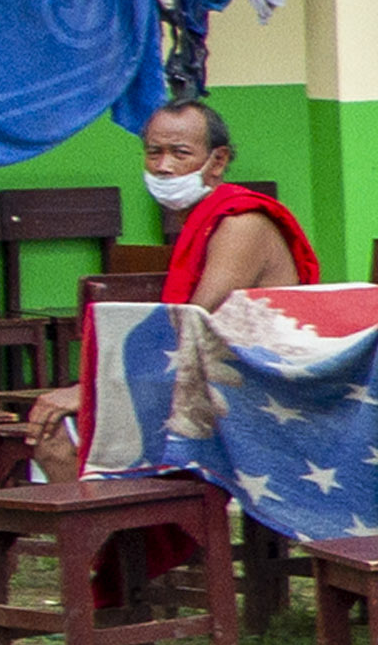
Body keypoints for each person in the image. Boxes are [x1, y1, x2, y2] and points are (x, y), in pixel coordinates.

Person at [23, 98, 317, 478]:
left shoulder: (240, 222)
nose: (164, 166)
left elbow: (195, 319)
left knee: (61, 437)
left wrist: (91, 390)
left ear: (218, 161)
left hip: (251, 389)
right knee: (55, 430)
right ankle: (123, 535)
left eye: (180, 154)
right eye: (153, 153)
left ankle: (118, 532)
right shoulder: (197, 221)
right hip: (200, 375)